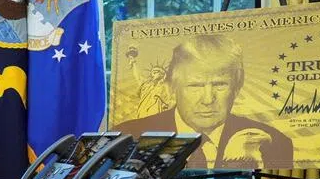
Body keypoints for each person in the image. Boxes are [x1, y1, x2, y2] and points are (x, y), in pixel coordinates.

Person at [114, 35, 292, 169]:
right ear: (172, 88)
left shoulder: (275, 142)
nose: (208, 99)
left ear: (237, 88)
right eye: (195, 85)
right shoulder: (129, 136)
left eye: (220, 84)